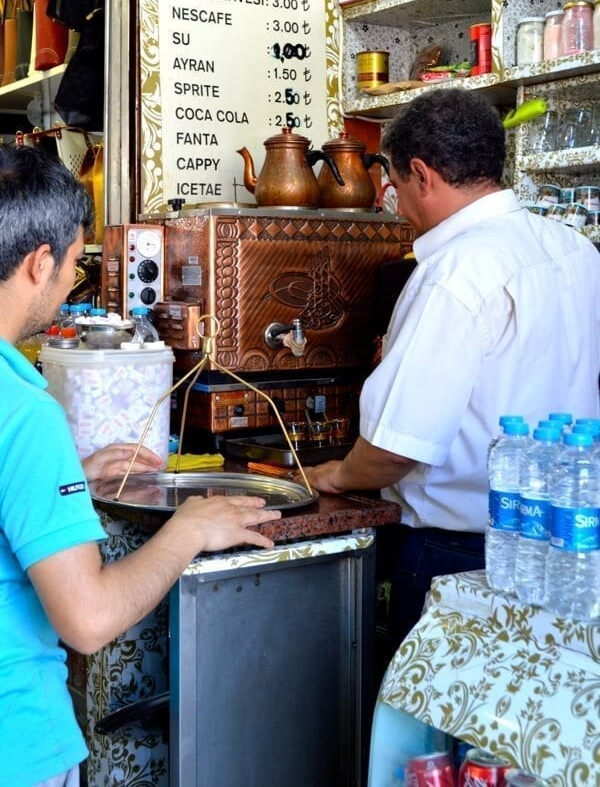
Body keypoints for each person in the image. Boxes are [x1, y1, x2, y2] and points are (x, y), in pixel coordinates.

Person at [0, 146, 282, 787]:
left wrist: (60, 470)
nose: (72, 281)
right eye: (74, 263)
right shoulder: (25, 414)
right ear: (39, 263)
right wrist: (190, 531)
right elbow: (89, 620)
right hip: (16, 746)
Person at [297, 88, 600, 658]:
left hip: (460, 556)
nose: (392, 194)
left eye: (391, 176)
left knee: (442, 735)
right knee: (523, 726)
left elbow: (396, 446)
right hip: (564, 549)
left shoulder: (456, 271)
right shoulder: (575, 248)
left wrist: (336, 475)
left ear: (420, 173)